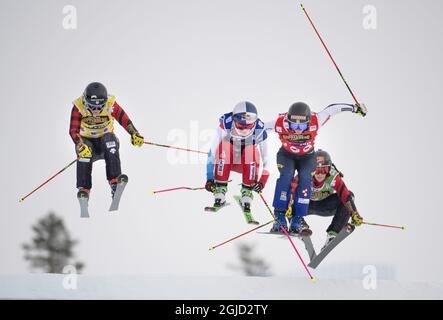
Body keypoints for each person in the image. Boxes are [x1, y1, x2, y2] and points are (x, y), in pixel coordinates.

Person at [269, 102, 367, 235]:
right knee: (288, 180)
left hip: (322, 197)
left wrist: (355, 108)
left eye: (324, 170)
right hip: (290, 163)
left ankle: (324, 229)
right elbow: (259, 127)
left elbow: (332, 110)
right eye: (294, 124)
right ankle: (289, 221)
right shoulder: (281, 123)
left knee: (309, 178)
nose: (298, 129)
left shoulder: (332, 176)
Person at [69, 82, 144, 201]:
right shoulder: (79, 106)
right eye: (92, 107)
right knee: (85, 149)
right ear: (85, 102)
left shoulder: (111, 104)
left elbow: (124, 120)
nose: (96, 110)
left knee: (109, 138)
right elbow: (73, 130)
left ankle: (114, 181)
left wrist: (135, 134)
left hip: (106, 144)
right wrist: (80, 145)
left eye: (100, 107)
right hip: (88, 144)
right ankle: (84, 189)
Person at [288, 150, 364, 247]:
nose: (320, 174)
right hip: (305, 206)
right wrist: (288, 206)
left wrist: (354, 213)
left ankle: (333, 233)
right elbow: (291, 190)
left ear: (329, 169)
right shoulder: (304, 174)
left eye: (324, 170)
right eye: (317, 170)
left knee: (349, 196)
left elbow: (345, 195)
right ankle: (299, 226)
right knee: (286, 197)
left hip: (326, 206)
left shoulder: (333, 176)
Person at [205, 101, 270, 213]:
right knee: (225, 145)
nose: (244, 129)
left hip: (246, 164)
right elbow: (212, 151)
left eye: (248, 126)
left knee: (252, 150)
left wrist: (262, 181)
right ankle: (220, 190)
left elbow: (267, 160)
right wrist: (210, 178)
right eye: (240, 125)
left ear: (254, 122)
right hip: (226, 161)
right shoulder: (227, 124)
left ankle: (246, 193)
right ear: (234, 120)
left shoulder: (259, 130)